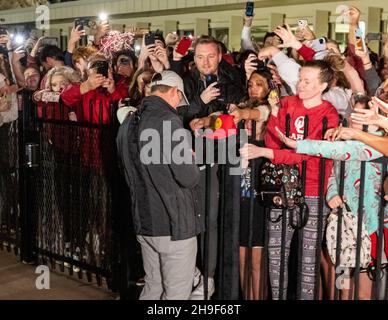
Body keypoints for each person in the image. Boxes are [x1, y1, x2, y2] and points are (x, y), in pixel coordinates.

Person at [240, 60, 340, 300]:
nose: (300, 84)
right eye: (300, 79)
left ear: (322, 86)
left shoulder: (328, 114)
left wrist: (270, 153)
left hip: (314, 192)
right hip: (282, 189)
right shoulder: (286, 103)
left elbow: (310, 154)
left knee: (308, 259)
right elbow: (276, 143)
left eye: (307, 81)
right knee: (276, 255)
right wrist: (274, 118)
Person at [116, 70, 202, 300]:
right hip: (172, 223)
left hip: (144, 221)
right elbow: (188, 177)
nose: (178, 106)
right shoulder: (167, 120)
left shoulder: (128, 121)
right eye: (179, 99)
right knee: (176, 295)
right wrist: (191, 158)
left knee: (153, 288)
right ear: (174, 91)